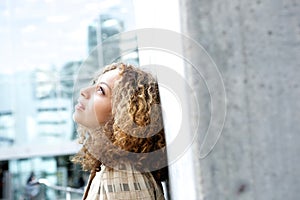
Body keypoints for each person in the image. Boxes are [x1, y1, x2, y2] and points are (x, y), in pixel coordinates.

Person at [72, 62, 168, 200]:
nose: (84, 91)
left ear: (124, 115)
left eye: (101, 90)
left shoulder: (124, 176)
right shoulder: (113, 168)